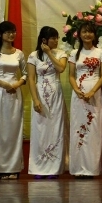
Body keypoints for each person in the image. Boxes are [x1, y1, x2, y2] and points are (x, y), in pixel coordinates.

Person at [0, 21, 27, 180]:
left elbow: (25, 74)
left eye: (13, 31)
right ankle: (0, 168)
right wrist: (4, 84)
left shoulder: (19, 54)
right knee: (0, 129)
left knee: (14, 129)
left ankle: (14, 168)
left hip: (15, 94)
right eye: (8, 32)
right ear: (0, 34)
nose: (11, 35)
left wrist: (17, 83)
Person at [27, 26, 69, 179]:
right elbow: (31, 78)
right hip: (40, 93)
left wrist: (49, 53)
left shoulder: (61, 53)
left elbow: (61, 68)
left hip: (55, 94)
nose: (56, 40)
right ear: (44, 40)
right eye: (53, 38)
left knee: (55, 128)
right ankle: (39, 167)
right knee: (40, 129)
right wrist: (35, 99)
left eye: (57, 38)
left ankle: (54, 168)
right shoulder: (33, 56)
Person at [68, 21, 102, 178]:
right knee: (78, 128)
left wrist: (92, 91)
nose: (87, 35)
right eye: (84, 32)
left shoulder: (100, 53)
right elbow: (71, 76)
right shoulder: (74, 54)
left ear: (94, 35)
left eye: (90, 32)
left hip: (94, 93)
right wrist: (77, 90)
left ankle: (91, 168)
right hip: (78, 93)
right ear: (79, 34)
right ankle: (77, 168)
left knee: (93, 129)